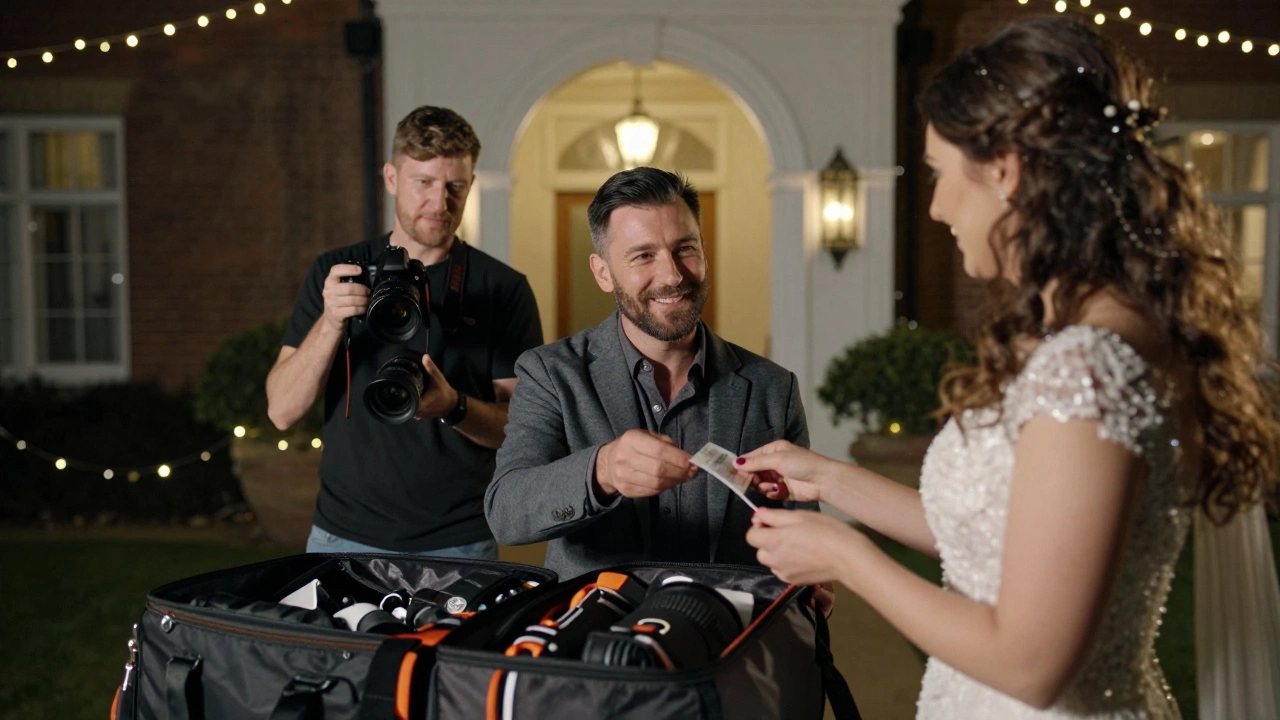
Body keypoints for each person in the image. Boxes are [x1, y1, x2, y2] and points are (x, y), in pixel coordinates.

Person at [738, 16, 1280, 719]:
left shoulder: (1086, 369)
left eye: (939, 174)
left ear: (1005, 170)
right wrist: (828, 479)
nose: (937, 207)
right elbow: (997, 536)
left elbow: (1031, 664)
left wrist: (848, 558)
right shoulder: (1098, 335)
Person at [486, 167, 811, 579]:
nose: (672, 275)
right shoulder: (550, 373)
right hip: (598, 614)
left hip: (729, 616)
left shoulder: (773, 388)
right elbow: (507, 512)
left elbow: (802, 527)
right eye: (643, 256)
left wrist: (812, 573)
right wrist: (603, 470)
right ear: (603, 272)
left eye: (685, 248)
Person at [266, 106, 543, 559]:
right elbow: (281, 411)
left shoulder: (502, 288)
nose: (440, 203)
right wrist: (331, 321)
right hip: (341, 533)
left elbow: (521, 429)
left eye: (455, 186)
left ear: (471, 184)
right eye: (424, 183)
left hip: (458, 540)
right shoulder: (339, 272)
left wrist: (452, 406)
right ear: (392, 178)